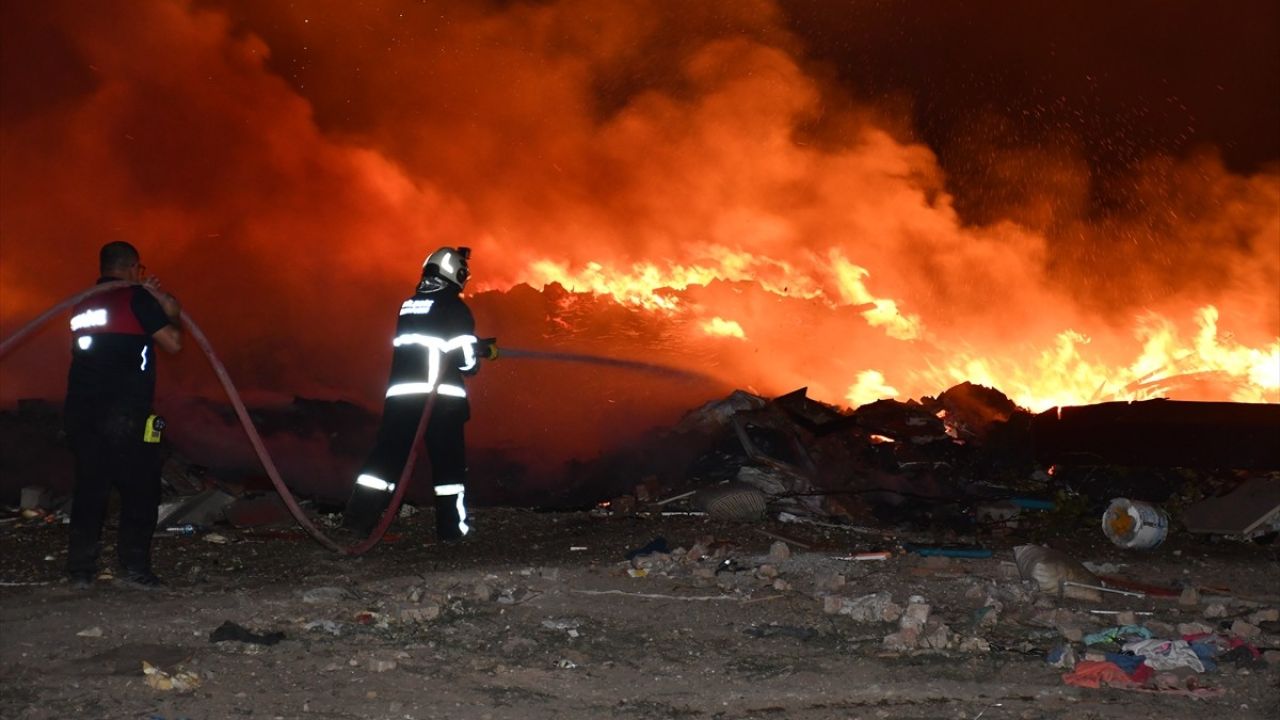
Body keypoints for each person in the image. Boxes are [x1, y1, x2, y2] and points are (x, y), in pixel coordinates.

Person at [344, 246, 496, 542]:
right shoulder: (455, 307)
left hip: (402, 398)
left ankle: (357, 520)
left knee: (386, 459)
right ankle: (453, 530)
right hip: (439, 401)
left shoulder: (410, 304)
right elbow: (463, 358)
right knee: (449, 468)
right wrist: (476, 352)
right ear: (456, 273)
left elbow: (433, 340)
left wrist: (471, 343)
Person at [64, 241, 183, 589]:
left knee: (90, 490)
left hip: (81, 412)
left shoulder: (82, 303)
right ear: (133, 268)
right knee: (142, 489)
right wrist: (164, 304)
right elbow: (174, 342)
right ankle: (135, 568)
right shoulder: (137, 299)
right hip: (127, 414)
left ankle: (80, 571)